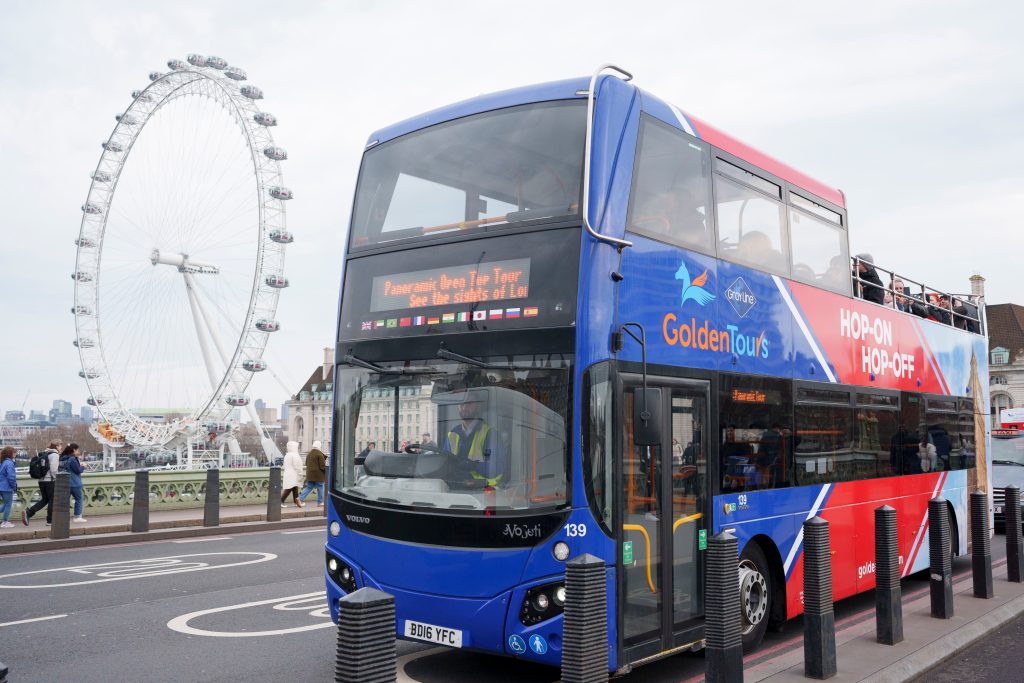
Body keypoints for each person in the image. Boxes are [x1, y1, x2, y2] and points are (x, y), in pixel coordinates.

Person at [443, 391, 501, 483]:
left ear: (478, 406)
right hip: (455, 486)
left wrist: (473, 465)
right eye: (461, 404)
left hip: (481, 489)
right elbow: (444, 465)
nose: (464, 407)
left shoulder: (490, 433)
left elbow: (496, 468)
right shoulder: (451, 435)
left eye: (469, 403)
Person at [23, 441, 61, 526]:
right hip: (50, 481)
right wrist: (56, 478)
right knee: (52, 500)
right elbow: (54, 470)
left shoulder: (44, 453)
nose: (61, 447)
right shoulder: (55, 455)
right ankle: (50, 521)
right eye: (60, 445)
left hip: (41, 481)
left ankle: (29, 513)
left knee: (45, 500)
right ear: (57, 446)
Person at [59, 443, 87, 522]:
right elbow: (78, 471)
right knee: (79, 499)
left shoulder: (62, 458)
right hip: (74, 483)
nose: (78, 451)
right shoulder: (73, 459)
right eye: (77, 449)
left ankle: (62, 517)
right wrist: (83, 466)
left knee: (65, 501)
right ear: (74, 449)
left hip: (64, 482)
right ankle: (77, 517)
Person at [298, 440, 327, 506]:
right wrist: (327, 471)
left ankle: (300, 499)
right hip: (318, 475)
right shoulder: (319, 454)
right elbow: (322, 466)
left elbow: (306, 463)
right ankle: (320, 502)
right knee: (320, 487)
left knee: (309, 487)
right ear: (319, 446)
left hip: (310, 475)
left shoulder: (309, 454)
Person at [281, 440, 304, 507]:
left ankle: (296, 501)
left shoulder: (287, 455)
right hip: (294, 474)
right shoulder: (295, 455)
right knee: (289, 488)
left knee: (294, 487)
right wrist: (300, 473)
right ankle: (281, 501)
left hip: (288, 473)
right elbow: (297, 466)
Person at [0, 446, 17, 528]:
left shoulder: (3, 462)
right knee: (8, 505)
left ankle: (4, 521)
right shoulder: (9, 463)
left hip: (1, 486)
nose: (15, 454)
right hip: (7, 487)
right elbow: (11, 477)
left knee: (5, 505)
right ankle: (5, 522)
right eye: (14, 452)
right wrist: (14, 487)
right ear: (10, 453)